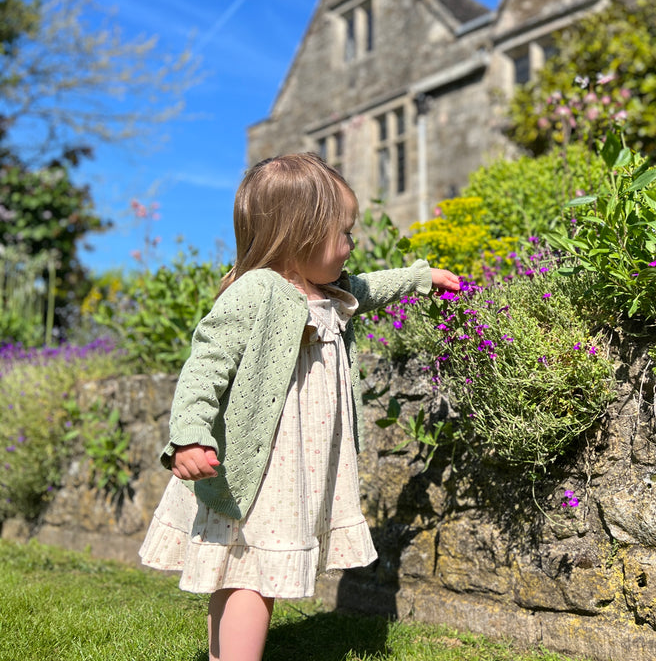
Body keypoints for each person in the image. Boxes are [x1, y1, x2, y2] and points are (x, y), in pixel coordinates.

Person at [139, 152, 460, 661]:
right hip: (264, 464)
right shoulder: (256, 292)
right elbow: (205, 364)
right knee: (250, 574)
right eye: (344, 233)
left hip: (294, 463)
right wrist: (190, 435)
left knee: (238, 568)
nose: (352, 244)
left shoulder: (328, 291)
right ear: (300, 235)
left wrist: (421, 278)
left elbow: (371, 287)